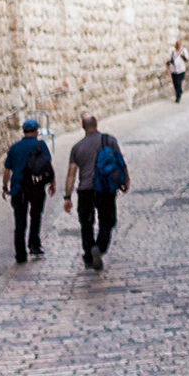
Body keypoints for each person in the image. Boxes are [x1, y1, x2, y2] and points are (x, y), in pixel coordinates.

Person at [63, 114, 129, 270]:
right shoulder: (109, 141)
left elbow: (71, 174)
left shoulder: (77, 147)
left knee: (86, 223)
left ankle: (88, 255)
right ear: (96, 124)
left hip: (85, 190)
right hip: (105, 188)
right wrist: (125, 180)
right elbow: (120, 162)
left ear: (83, 127)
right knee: (107, 221)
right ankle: (99, 247)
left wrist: (67, 197)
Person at [2, 119, 55, 263]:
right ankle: (34, 244)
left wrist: (4, 186)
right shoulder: (40, 145)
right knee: (36, 216)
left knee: (20, 221)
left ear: (23, 131)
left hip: (18, 188)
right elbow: (47, 165)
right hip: (36, 187)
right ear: (36, 130)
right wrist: (52, 183)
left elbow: (7, 169)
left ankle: (20, 253)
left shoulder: (14, 147)